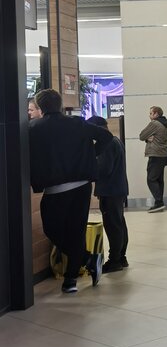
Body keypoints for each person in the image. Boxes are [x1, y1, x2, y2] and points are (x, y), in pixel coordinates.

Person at [29, 88, 112, 294]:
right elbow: (106, 136)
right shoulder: (77, 123)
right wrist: (91, 155)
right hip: (82, 185)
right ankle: (72, 278)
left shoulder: (34, 128)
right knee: (76, 231)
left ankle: (84, 263)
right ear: (59, 104)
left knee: (52, 230)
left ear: (40, 107)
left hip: (55, 188)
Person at [87, 116, 130, 273]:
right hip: (117, 188)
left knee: (113, 226)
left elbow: (104, 169)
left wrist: (88, 169)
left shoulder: (106, 144)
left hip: (110, 190)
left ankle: (115, 260)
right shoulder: (115, 140)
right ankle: (121, 257)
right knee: (119, 223)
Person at [139, 106, 167, 212]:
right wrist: (148, 138)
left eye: (151, 113)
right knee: (159, 179)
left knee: (151, 179)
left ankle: (159, 202)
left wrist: (147, 138)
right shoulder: (164, 123)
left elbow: (142, 135)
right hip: (163, 154)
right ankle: (159, 202)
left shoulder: (154, 123)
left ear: (156, 114)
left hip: (155, 154)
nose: (149, 115)